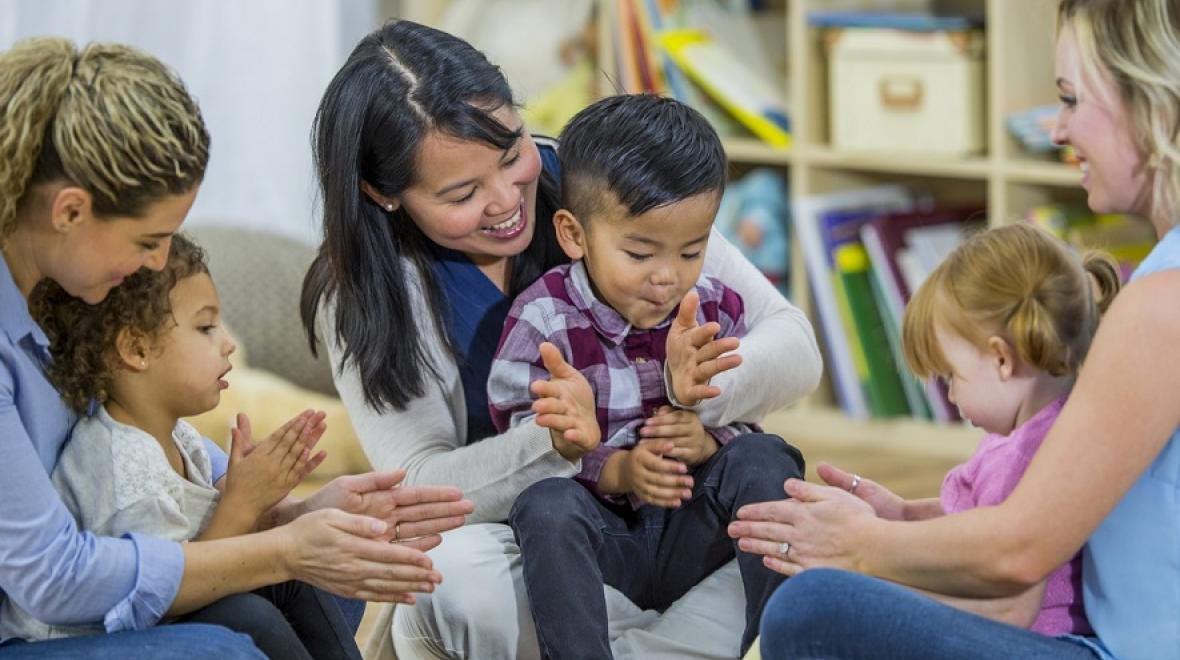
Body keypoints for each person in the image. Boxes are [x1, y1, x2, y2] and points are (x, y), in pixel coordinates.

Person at [300, 20, 822, 660]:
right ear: (383, 194)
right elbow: (418, 489)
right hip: (538, 541)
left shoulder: (601, 181)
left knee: (792, 520)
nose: (505, 202)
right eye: (463, 193)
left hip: (678, 518)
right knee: (462, 579)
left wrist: (703, 396)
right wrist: (552, 444)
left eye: (511, 153)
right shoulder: (360, 293)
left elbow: (793, 345)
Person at [728, 0, 1180, 657]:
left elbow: (1020, 553)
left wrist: (861, 545)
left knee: (812, 609)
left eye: (1071, 99)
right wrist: (911, 522)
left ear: (1151, 99)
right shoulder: (1158, 284)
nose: (1056, 129)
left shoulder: (1161, 305)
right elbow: (1061, 501)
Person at [0, 37, 472, 658]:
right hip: (39, 626)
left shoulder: (65, 295)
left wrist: (300, 517)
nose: (158, 263)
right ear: (69, 211)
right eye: (148, 240)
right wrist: (277, 549)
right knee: (226, 644)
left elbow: (174, 475)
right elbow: (55, 578)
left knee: (323, 580)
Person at [492, 94, 805, 659]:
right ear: (573, 234)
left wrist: (709, 436)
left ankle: (780, 641)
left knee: (766, 458)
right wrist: (611, 466)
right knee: (545, 507)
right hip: (608, 539)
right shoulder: (542, 319)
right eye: (639, 253)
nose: (668, 278)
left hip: (692, 530)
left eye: (692, 251)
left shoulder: (713, 305)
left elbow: (745, 427)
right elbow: (517, 449)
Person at [1, 234, 354, 659]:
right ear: (136, 348)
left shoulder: (176, 434)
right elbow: (166, 598)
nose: (228, 343)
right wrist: (241, 506)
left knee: (307, 577)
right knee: (250, 615)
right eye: (206, 327)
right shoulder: (121, 467)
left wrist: (275, 498)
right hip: (89, 636)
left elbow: (199, 534)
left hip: (158, 610)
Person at [824, 223, 1118, 635]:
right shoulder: (1054, 428)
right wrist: (905, 515)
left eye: (950, 376)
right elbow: (982, 522)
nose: (951, 396)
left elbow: (1007, 610)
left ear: (1001, 359)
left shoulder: (1024, 459)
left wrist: (879, 579)